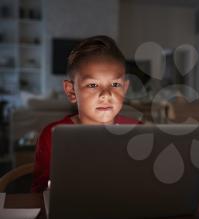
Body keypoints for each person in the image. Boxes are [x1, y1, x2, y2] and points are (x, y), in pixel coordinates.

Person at [31, 35, 142, 192]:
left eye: (115, 84)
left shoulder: (139, 130)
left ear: (124, 88)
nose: (106, 94)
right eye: (92, 84)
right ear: (71, 91)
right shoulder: (53, 135)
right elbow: (40, 192)